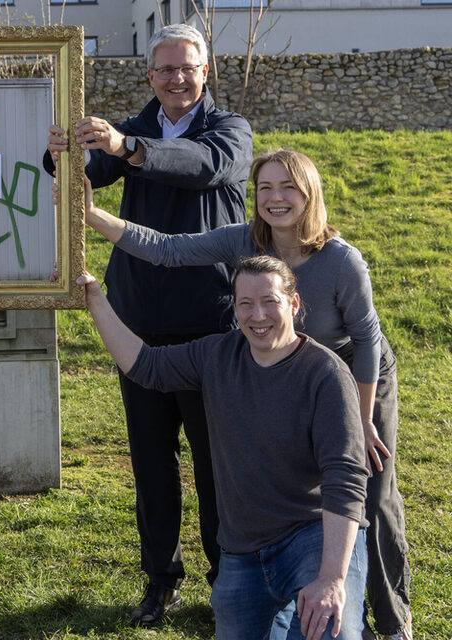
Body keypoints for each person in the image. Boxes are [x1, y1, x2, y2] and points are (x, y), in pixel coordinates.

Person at [83, 148, 412, 639]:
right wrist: (92, 216)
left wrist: (362, 420)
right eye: (265, 188)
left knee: (369, 486)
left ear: (310, 194)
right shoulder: (245, 241)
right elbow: (169, 248)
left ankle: (392, 620)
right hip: (282, 362)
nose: (276, 198)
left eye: (288, 187)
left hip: (355, 368)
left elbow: (366, 340)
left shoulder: (342, 260)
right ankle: (283, 569)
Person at [43, 23, 253, 624]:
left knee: (215, 463)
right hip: (137, 324)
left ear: (205, 72)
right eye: (165, 69)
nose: (176, 78)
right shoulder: (130, 130)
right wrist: (61, 153)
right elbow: (84, 170)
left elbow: (204, 166)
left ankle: (227, 580)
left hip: (211, 324)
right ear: (150, 75)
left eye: (187, 68)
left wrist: (128, 148)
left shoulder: (229, 130)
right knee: (151, 463)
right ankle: (160, 579)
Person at [78, 255, 369, 640]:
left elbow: (345, 479)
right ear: (234, 307)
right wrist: (95, 298)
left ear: (294, 304)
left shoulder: (326, 374)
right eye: (245, 303)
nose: (257, 315)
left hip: (313, 537)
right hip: (243, 549)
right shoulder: (217, 356)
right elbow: (146, 365)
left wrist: (331, 578)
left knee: (331, 631)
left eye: (270, 301)